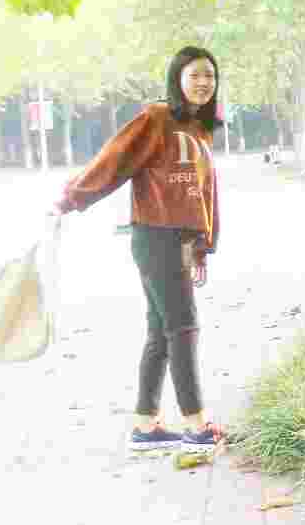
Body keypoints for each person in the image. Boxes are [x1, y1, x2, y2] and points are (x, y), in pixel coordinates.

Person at [50, 46, 225, 451]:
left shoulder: (199, 128)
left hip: (180, 239)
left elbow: (202, 193)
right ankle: (197, 426)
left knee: (162, 332)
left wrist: (202, 245)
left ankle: (146, 427)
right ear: (177, 79)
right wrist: (71, 198)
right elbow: (115, 159)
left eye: (210, 76)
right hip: (157, 236)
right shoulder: (157, 117)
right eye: (195, 74)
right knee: (183, 327)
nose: (203, 82)